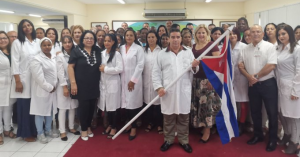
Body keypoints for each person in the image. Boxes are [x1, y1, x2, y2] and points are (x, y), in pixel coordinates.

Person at [152, 28, 200, 153]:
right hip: (168, 91)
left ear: (181, 38)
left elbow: (195, 70)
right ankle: (168, 140)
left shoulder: (188, 52)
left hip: (183, 90)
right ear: (168, 39)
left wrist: (195, 66)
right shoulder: (162, 54)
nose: (175, 40)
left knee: (184, 118)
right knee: (168, 118)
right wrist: (159, 87)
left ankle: (184, 141)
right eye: (172, 37)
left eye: (178, 37)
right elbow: (155, 72)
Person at [238, 24, 278, 152]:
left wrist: (255, 76)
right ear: (248, 34)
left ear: (262, 34)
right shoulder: (245, 49)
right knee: (255, 112)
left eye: (258, 32)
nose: (255, 34)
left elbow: (271, 65)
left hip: (268, 84)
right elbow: (241, 66)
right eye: (253, 32)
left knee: (272, 113)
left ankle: (272, 139)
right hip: (253, 85)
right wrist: (249, 77)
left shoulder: (270, 47)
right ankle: (258, 135)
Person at [68, 30, 101, 141]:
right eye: (86, 38)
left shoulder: (97, 50)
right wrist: (73, 83)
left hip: (94, 84)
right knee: (83, 108)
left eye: (91, 38)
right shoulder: (76, 51)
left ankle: (88, 127)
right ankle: (83, 130)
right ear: (82, 40)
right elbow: (70, 67)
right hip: (81, 84)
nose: (89, 40)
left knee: (92, 107)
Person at [190, 24, 221, 143]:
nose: (201, 35)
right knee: (199, 105)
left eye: (203, 33)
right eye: (199, 33)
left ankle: (208, 130)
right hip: (195, 80)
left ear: (207, 34)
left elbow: (218, 63)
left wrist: (213, 80)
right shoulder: (193, 47)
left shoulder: (211, 46)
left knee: (207, 106)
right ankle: (203, 126)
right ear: (196, 34)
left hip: (207, 80)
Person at [11, 19, 39, 142]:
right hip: (23, 79)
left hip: (36, 79)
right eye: (24, 26)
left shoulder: (38, 41)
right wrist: (18, 81)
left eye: (29, 25)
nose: (27, 28)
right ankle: (26, 133)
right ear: (21, 29)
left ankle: (35, 130)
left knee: (35, 106)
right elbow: (15, 62)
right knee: (24, 107)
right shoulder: (18, 43)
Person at [275, 23, 300, 154]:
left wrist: (296, 91)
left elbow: (299, 71)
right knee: (282, 113)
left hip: (292, 87)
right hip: (280, 86)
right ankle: (287, 135)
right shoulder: (279, 48)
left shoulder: (297, 49)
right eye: (279, 34)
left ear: (290, 34)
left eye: (283, 33)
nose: (281, 36)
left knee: (293, 116)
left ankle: (295, 142)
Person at [29, 37, 59, 144]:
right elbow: (38, 77)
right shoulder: (36, 59)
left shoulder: (54, 57)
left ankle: (48, 130)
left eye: (49, 45)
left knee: (50, 111)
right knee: (40, 113)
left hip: (53, 90)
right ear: (40, 46)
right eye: (44, 45)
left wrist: (54, 87)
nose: (47, 47)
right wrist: (49, 88)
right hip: (42, 90)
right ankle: (40, 133)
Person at [120, 29, 144, 141]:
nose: (129, 37)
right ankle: (129, 124)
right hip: (122, 80)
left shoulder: (138, 49)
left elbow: (140, 65)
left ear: (135, 37)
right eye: (127, 35)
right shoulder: (121, 48)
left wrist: (133, 80)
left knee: (132, 106)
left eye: (131, 35)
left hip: (134, 81)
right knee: (126, 105)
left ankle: (134, 127)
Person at [98, 34, 123, 139]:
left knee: (113, 108)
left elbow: (120, 69)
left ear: (113, 42)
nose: (106, 43)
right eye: (105, 41)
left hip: (113, 83)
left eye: (109, 41)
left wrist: (106, 69)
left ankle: (114, 127)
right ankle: (109, 125)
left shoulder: (117, 54)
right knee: (107, 107)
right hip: (103, 84)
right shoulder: (101, 53)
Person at [56, 36, 80, 141]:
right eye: (65, 42)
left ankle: (71, 127)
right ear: (62, 43)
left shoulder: (76, 54)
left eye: (69, 42)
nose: (67, 44)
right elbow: (60, 73)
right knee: (63, 108)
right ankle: (62, 131)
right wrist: (65, 87)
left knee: (72, 107)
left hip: (74, 84)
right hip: (63, 85)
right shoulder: (60, 56)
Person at [142, 31, 162, 134]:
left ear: (156, 38)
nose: (151, 39)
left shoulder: (161, 51)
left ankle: (159, 124)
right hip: (146, 81)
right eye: (149, 37)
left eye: (153, 37)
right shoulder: (143, 51)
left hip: (158, 81)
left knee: (158, 104)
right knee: (148, 104)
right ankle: (150, 122)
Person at [229, 27, 248, 135]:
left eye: (234, 33)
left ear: (238, 35)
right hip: (230, 78)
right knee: (232, 102)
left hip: (241, 77)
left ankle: (242, 124)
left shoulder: (243, 46)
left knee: (242, 102)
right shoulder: (225, 47)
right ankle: (233, 122)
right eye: (230, 34)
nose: (232, 36)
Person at [0, 31, 17, 145]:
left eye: (4, 38)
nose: (2, 40)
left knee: (8, 108)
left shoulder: (12, 52)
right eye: (0, 39)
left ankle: (7, 129)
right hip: (0, 84)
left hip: (12, 84)